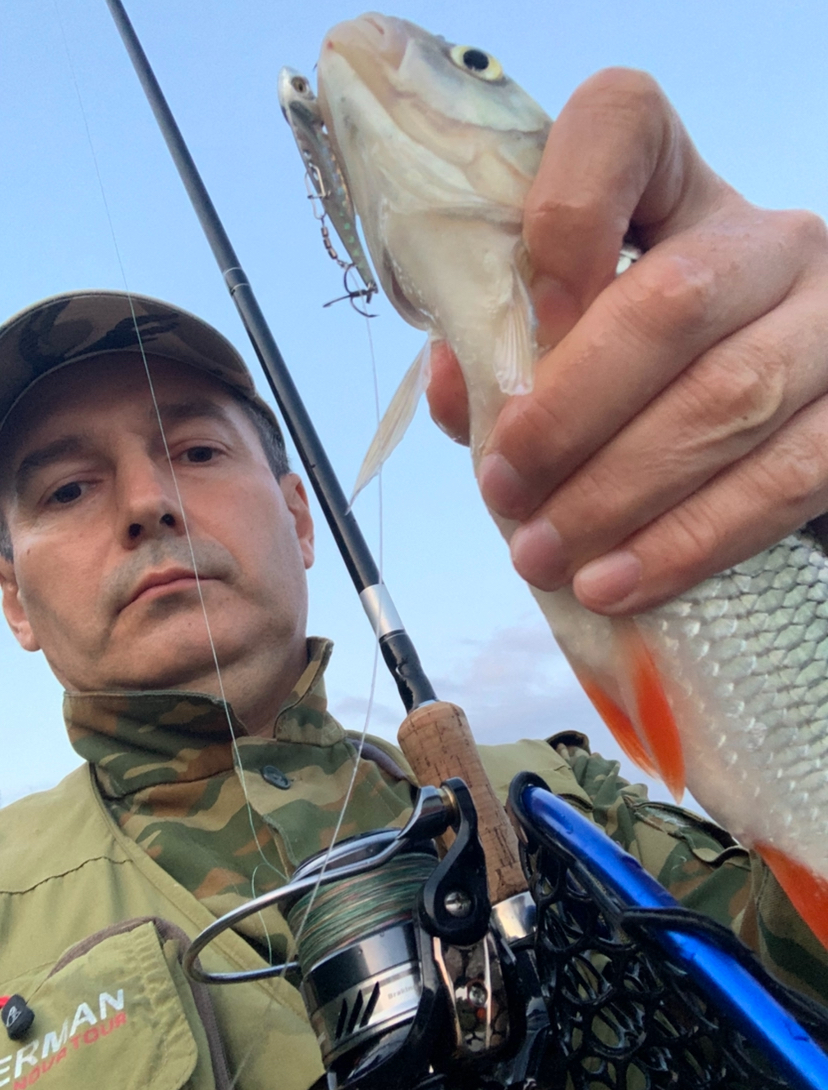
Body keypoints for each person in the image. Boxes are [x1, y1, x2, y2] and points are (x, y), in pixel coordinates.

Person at [0, 70, 826, 1090]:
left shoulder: (575, 809)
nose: (146, 503)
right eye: (69, 488)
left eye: (198, 452)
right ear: (13, 600)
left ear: (301, 518)